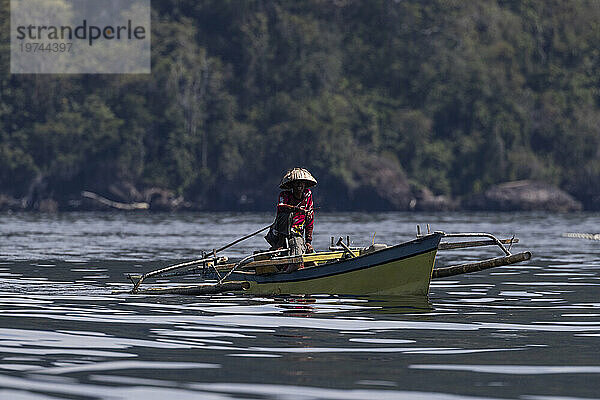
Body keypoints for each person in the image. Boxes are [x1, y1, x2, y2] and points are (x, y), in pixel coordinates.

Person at [265, 167, 316, 255]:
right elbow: (281, 207)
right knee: (286, 214)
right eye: (296, 183)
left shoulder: (308, 195)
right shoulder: (284, 195)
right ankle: (280, 244)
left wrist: (308, 242)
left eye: (302, 183)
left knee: (309, 214)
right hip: (279, 233)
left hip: (297, 233)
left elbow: (310, 220)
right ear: (292, 185)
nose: (299, 185)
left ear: (305, 184)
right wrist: (296, 209)